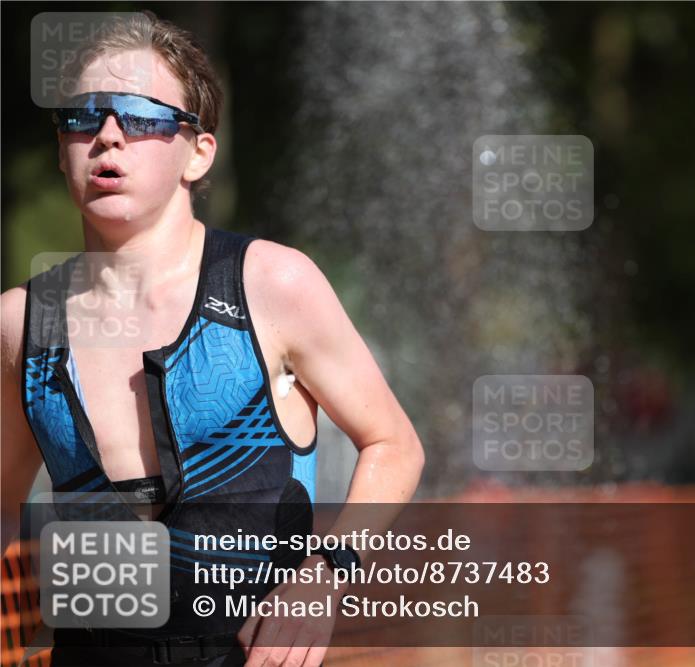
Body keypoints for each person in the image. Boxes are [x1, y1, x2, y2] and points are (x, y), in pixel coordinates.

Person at [0, 12, 425, 667]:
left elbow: (394, 444)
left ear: (197, 151)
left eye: (141, 116)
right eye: (82, 117)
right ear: (62, 149)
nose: (108, 136)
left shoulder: (273, 284)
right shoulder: (20, 324)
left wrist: (324, 574)